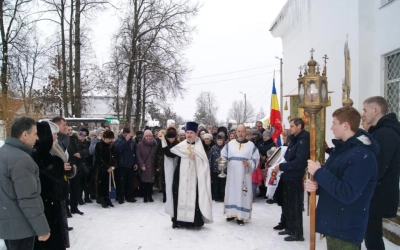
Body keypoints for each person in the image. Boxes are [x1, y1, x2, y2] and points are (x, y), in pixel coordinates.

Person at [306, 106, 379, 249]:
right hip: (334, 224)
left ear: (345, 126)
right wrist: (315, 186)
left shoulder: (362, 156)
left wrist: (319, 173)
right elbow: (333, 182)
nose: (331, 128)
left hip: (346, 228)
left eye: (334, 123)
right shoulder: (341, 151)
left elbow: (347, 193)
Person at [0, 117, 50, 250]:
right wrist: (42, 228)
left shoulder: (3, 152)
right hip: (21, 227)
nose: (37, 138)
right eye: (35, 134)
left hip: (7, 224)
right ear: (25, 134)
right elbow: (28, 198)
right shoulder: (22, 160)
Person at [362, 96, 400, 249]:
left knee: (373, 238)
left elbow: (378, 167)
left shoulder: (386, 133)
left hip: (378, 192)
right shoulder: (379, 131)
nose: (363, 114)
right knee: (372, 235)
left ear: (375, 110)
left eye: (365, 110)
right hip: (376, 191)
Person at [160, 121, 213, 229]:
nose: (189, 135)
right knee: (178, 197)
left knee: (194, 198)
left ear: (195, 134)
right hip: (180, 178)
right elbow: (170, 153)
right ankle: (177, 220)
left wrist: (196, 158)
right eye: (187, 132)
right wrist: (163, 141)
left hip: (195, 179)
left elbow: (205, 163)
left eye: (191, 133)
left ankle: (194, 221)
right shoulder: (181, 145)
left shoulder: (199, 146)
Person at [32, 120, 73, 250]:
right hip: (45, 203)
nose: (56, 136)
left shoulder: (44, 151)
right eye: (53, 134)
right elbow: (54, 170)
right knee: (50, 239)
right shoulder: (41, 153)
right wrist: (60, 166)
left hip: (50, 200)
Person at [272, 117, 309, 241]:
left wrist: (281, 166)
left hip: (294, 178)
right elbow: (288, 155)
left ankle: (297, 233)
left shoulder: (303, 140)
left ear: (299, 126)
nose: (290, 128)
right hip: (288, 176)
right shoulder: (294, 139)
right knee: (287, 205)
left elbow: (300, 162)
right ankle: (289, 227)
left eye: (292, 126)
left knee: (295, 206)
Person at [221, 124, 260, 226]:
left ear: (245, 132)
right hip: (232, 175)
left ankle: (241, 216)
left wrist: (249, 164)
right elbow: (223, 155)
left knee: (242, 194)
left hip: (244, 175)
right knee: (232, 193)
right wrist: (223, 162)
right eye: (239, 131)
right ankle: (231, 214)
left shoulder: (251, 145)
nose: (241, 133)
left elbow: (256, 158)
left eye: (243, 131)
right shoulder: (230, 144)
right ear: (236, 132)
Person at [155, 127, 179, 204]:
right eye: (169, 138)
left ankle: (172, 196)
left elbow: (171, 154)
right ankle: (165, 195)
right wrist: (158, 165)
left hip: (174, 164)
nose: (171, 140)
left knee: (173, 181)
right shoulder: (163, 143)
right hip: (164, 164)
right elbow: (158, 154)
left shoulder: (177, 144)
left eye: (172, 138)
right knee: (165, 180)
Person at [114, 128, 138, 204]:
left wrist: (136, 163)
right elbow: (118, 149)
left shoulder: (133, 142)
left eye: (128, 134)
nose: (126, 135)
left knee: (130, 182)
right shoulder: (118, 140)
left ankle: (130, 197)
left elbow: (135, 152)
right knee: (121, 182)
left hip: (131, 165)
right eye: (125, 134)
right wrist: (126, 141)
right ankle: (120, 197)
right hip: (121, 165)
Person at [94, 130, 116, 208]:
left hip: (110, 168)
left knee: (108, 184)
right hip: (101, 168)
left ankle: (107, 198)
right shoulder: (99, 145)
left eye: (112, 139)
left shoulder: (112, 145)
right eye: (109, 139)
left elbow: (114, 157)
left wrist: (113, 166)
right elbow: (98, 158)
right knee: (101, 184)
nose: (111, 140)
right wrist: (107, 167)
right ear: (105, 138)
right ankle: (101, 198)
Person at [137, 130, 158, 203]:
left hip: (152, 166)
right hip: (145, 165)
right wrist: (142, 165)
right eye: (147, 136)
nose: (148, 137)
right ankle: (145, 196)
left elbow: (157, 155)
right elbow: (138, 156)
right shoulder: (140, 145)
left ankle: (149, 195)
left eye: (150, 136)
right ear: (144, 136)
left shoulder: (154, 144)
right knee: (144, 182)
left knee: (151, 182)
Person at [209, 134, 227, 202]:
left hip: (224, 170)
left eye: (221, 140)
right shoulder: (213, 148)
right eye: (218, 140)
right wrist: (210, 168)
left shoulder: (226, 148)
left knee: (223, 184)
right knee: (215, 184)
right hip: (215, 170)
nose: (219, 141)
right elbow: (210, 158)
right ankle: (216, 197)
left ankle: (222, 197)